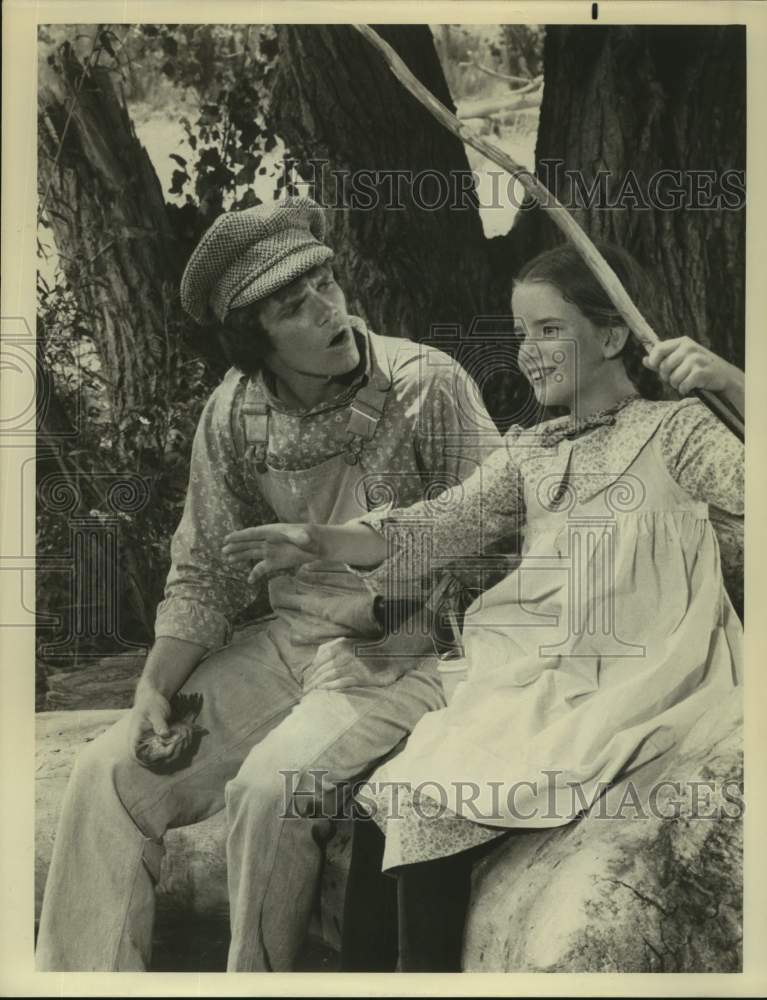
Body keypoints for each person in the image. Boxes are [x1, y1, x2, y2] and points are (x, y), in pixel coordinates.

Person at [232, 242, 744, 972]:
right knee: (385, 801)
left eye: (548, 330)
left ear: (611, 336)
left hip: (635, 671)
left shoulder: (678, 431)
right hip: (539, 671)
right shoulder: (533, 451)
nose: (527, 352)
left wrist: (733, 382)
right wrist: (319, 539)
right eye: (519, 332)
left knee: (429, 805)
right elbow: (436, 525)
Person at [35, 197, 504, 971]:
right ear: (255, 340)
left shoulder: (426, 383)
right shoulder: (234, 414)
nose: (327, 309)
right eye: (293, 306)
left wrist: (383, 591)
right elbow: (205, 572)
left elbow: (495, 533)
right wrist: (153, 687)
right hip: (289, 646)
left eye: (326, 282)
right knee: (107, 773)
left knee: (268, 791)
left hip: (405, 650)